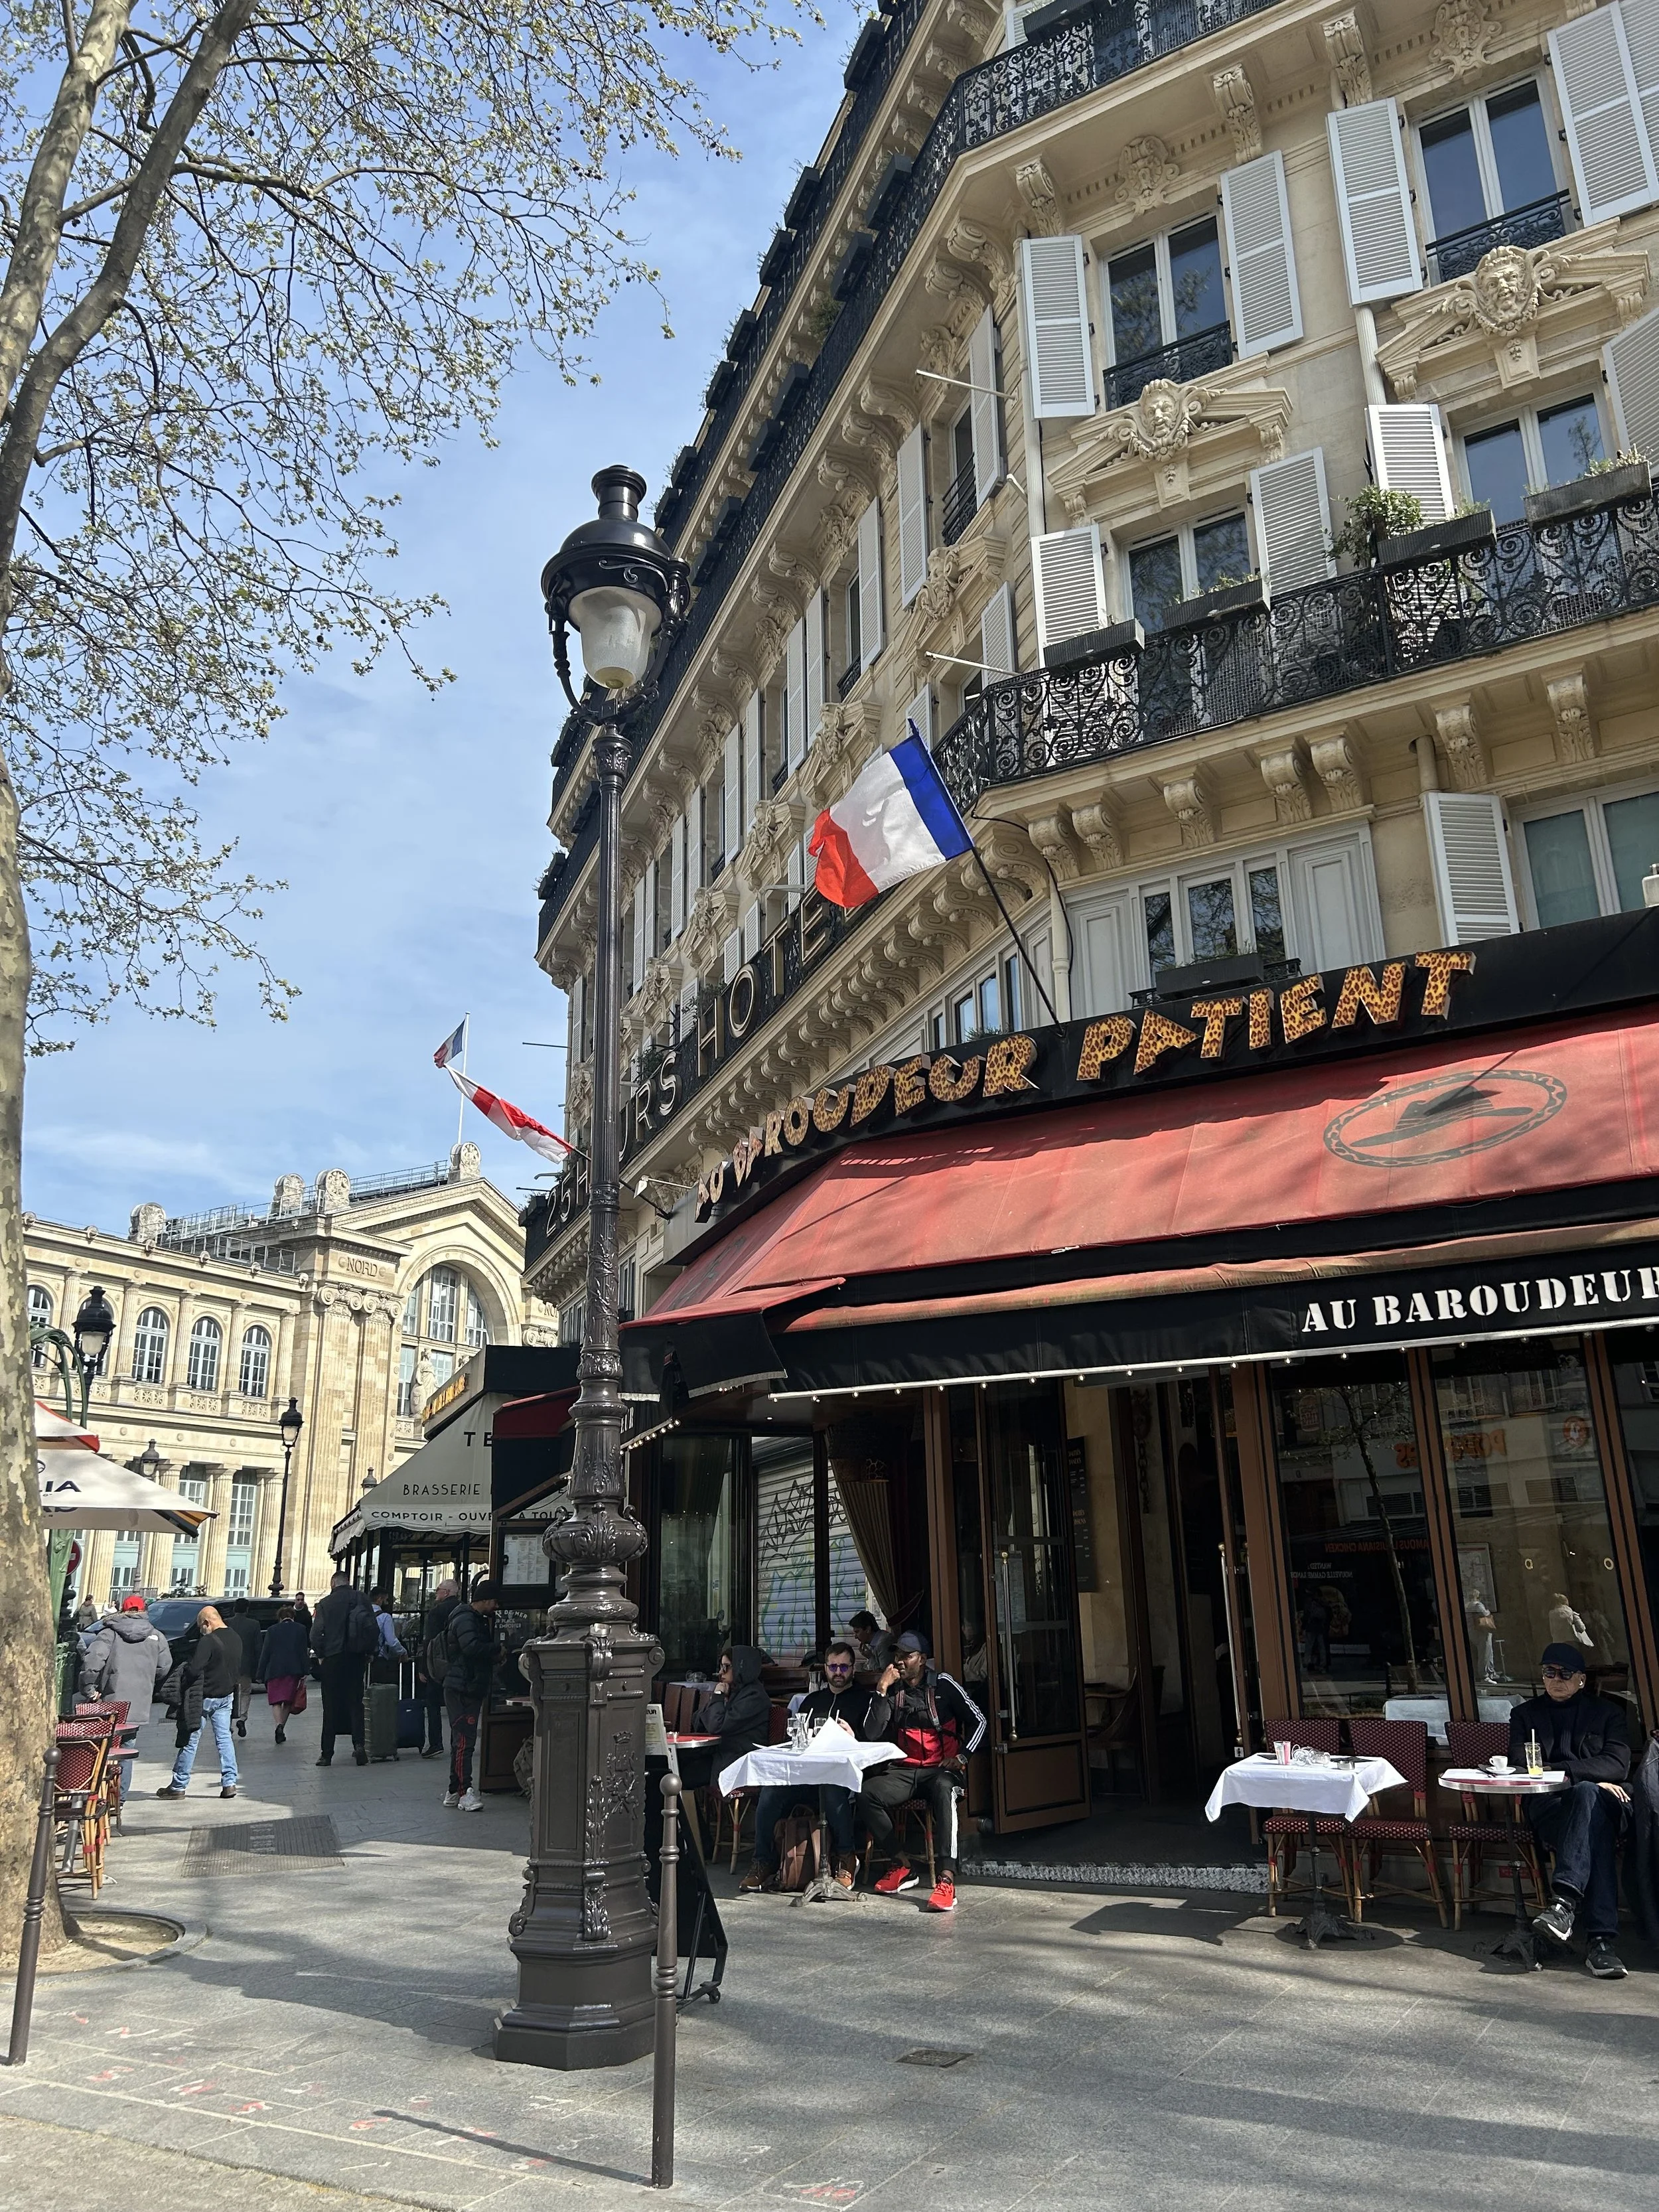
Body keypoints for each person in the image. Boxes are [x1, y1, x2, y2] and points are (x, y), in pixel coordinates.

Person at [1510, 1642, 1632, 1978]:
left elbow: (1617, 1765)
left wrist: (1573, 1776)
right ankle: (1601, 1944)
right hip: (1551, 1808)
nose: (1556, 1679)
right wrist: (1586, 1777)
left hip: (1608, 1804)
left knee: (1587, 1797)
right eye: (1549, 1672)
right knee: (1594, 1829)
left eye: (1565, 1674)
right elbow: (1522, 1762)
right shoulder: (1525, 1715)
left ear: (1581, 1679)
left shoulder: (1608, 1712)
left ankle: (1564, 1903)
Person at [858, 1629, 986, 1914]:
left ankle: (946, 1879)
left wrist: (962, 1756)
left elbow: (980, 1721)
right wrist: (881, 1690)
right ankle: (903, 1865)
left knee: (944, 1789)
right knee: (866, 1793)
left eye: (908, 1655)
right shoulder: (892, 1688)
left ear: (923, 1659)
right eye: (897, 1655)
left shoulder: (943, 1684)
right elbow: (871, 1732)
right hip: (906, 1770)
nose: (900, 1661)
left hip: (941, 1770)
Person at [739, 1640, 875, 1895]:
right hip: (807, 1778)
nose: (838, 1673)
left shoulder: (864, 1701)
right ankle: (764, 1863)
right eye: (833, 1667)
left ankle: (847, 1857)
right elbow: (796, 1742)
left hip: (842, 1779)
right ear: (825, 1668)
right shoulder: (811, 1701)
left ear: (853, 1670)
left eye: (844, 1668)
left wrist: (854, 1737)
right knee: (771, 1792)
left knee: (832, 1791)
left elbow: (872, 1743)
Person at [80, 1593, 171, 1785]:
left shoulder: (109, 1633)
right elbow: (164, 1666)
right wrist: (147, 1680)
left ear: (123, 1610)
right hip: (138, 1703)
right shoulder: (156, 1635)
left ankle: (103, 1794)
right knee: (126, 1750)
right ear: (143, 1611)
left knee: (105, 1749)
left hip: (111, 1700)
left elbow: (93, 1660)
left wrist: (89, 1687)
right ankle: (120, 1799)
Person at [157, 1605, 241, 1799]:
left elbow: (194, 1670)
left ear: (207, 1623)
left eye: (201, 1627)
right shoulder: (236, 1637)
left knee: (191, 1740)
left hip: (203, 1698)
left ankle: (179, 1786)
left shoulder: (208, 1641)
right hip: (226, 1696)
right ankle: (230, 1783)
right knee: (224, 1739)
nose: (201, 1631)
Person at [443, 1576, 500, 1810]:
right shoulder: (467, 1619)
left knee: (461, 1740)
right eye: (495, 1601)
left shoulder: (471, 1617)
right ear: (484, 1600)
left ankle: (453, 1790)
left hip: (466, 1685)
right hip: (462, 1687)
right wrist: (496, 1650)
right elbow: (471, 1648)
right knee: (465, 1740)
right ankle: (464, 1791)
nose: (497, 1607)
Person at [309, 1572, 378, 1767]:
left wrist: (321, 1654)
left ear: (333, 1583)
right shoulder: (362, 1599)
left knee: (330, 1706)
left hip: (332, 1659)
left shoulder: (325, 1603)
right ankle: (359, 1746)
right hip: (356, 1658)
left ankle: (326, 1754)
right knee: (356, 1703)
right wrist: (369, 1652)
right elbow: (372, 1629)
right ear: (349, 1582)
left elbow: (315, 1634)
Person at [417, 1578, 459, 1758]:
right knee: (457, 1705)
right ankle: (458, 1741)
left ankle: (436, 1743)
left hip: (439, 1665)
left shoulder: (436, 1613)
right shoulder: (463, 1610)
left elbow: (430, 1642)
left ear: (447, 1592)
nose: (436, 1593)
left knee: (433, 1703)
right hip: (459, 1665)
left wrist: (423, 1667)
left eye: (438, 1590)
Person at [260, 1603, 311, 1744]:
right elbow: (303, 1652)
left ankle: (278, 1725)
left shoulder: (272, 1630)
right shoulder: (301, 1629)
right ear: (292, 1616)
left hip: (274, 1670)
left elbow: (266, 1653)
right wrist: (305, 1670)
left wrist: (260, 1672)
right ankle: (282, 1726)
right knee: (288, 1701)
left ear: (280, 1617)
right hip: (293, 1670)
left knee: (276, 1701)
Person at [226, 1596, 264, 1736]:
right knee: (245, 1693)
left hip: (229, 1666)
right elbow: (258, 1648)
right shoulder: (254, 1625)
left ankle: (228, 1725)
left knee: (229, 1694)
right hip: (246, 1666)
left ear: (234, 1609)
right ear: (247, 1610)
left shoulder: (227, 1623)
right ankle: (242, 1717)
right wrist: (259, 1669)